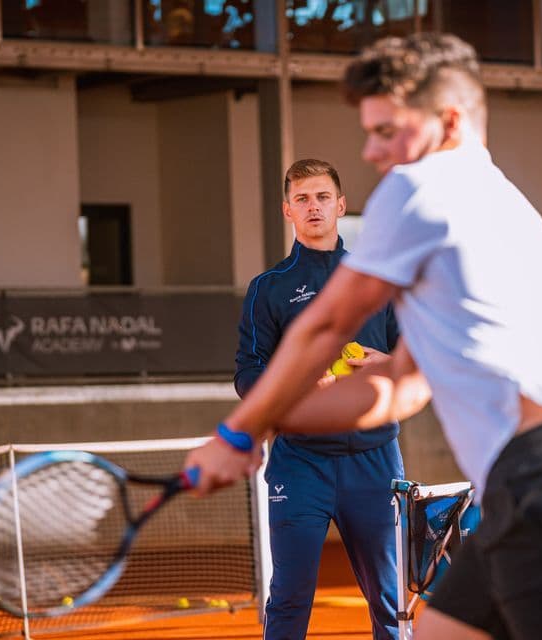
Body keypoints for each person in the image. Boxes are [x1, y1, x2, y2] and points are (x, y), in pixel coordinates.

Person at [187, 32, 542, 640]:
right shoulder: (498, 201)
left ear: (447, 120)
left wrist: (239, 432)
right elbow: (399, 387)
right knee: (439, 630)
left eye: (387, 131)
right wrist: (280, 417)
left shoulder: (423, 187)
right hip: (537, 477)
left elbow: (325, 324)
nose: (374, 152)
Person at [236, 158, 402, 640]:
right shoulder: (268, 289)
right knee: (288, 598)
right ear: (287, 210)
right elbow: (248, 374)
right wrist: (297, 389)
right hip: (300, 463)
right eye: (303, 199)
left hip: (375, 461)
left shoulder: (377, 280)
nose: (314, 207)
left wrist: (386, 364)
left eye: (323, 197)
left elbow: (418, 354)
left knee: (391, 602)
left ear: (341, 205)